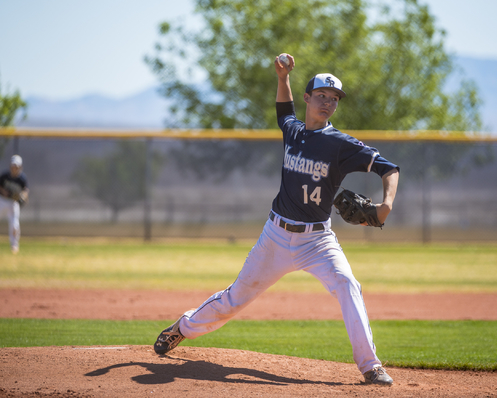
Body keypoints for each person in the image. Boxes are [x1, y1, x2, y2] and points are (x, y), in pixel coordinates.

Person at [154, 54, 400, 386]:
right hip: (276, 235)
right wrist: (282, 77)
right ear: (308, 98)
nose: (328, 102)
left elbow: (389, 168)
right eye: (322, 96)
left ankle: (371, 366)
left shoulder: (340, 144)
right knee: (236, 297)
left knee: (347, 284)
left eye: (334, 98)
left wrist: (385, 206)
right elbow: (284, 112)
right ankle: (181, 329)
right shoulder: (293, 131)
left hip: (318, 240)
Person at [0, 155, 29, 254]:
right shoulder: (4, 176)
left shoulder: (22, 179)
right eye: (13, 166)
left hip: (13, 203)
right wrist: (3, 191)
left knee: (15, 225)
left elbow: (25, 190)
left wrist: (23, 196)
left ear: (20, 167)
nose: (14, 168)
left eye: (16, 166)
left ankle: (14, 245)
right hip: (1, 201)